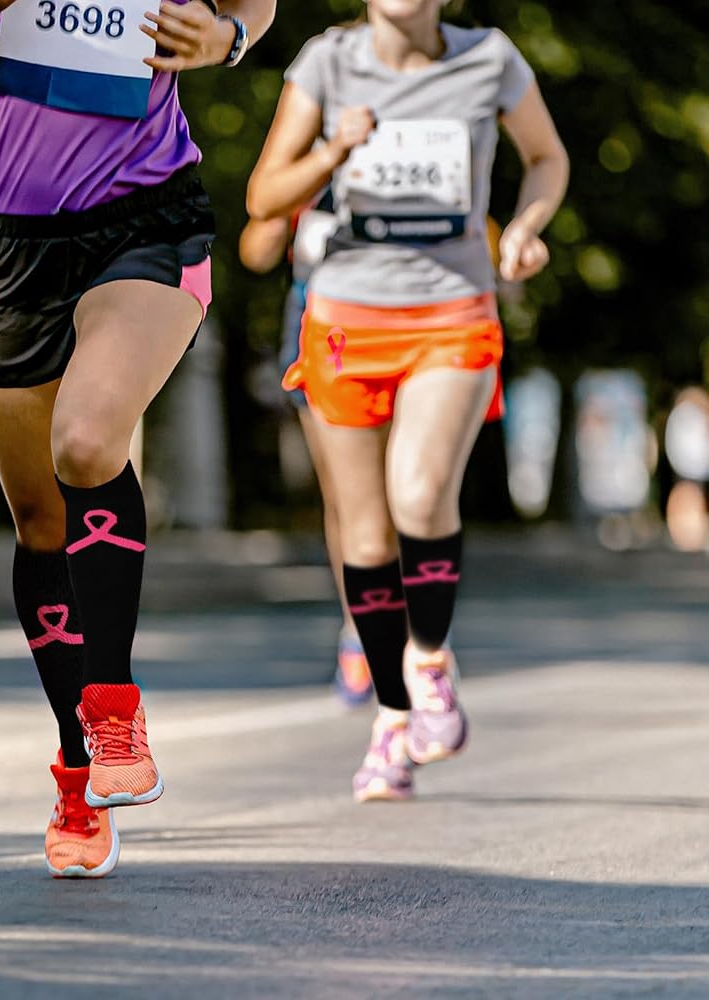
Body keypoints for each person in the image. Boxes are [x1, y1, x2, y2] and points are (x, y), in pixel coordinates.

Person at [0, 0, 275, 876]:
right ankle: (75, 766)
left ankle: (114, 704)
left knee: (90, 442)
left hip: (148, 221)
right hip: (7, 247)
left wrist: (228, 38)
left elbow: (254, 4)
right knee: (41, 523)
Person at [246, 0, 568, 801]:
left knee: (419, 494)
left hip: (453, 312)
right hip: (343, 319)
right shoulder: (327, 63)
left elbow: (546, 157)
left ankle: (428, 661)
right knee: (362, 531)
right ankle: (392, 720)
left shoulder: (489, 59)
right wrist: (334, 148)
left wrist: (525, 227)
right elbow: (263, 198)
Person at [239, 195, 377, 706]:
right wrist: (293, 197)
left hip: (405, 312)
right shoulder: (310, 154)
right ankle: (359, 628)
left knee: (405, 486)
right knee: (345, 494)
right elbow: (256, 251)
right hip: (319, 315)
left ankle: (417, 626)